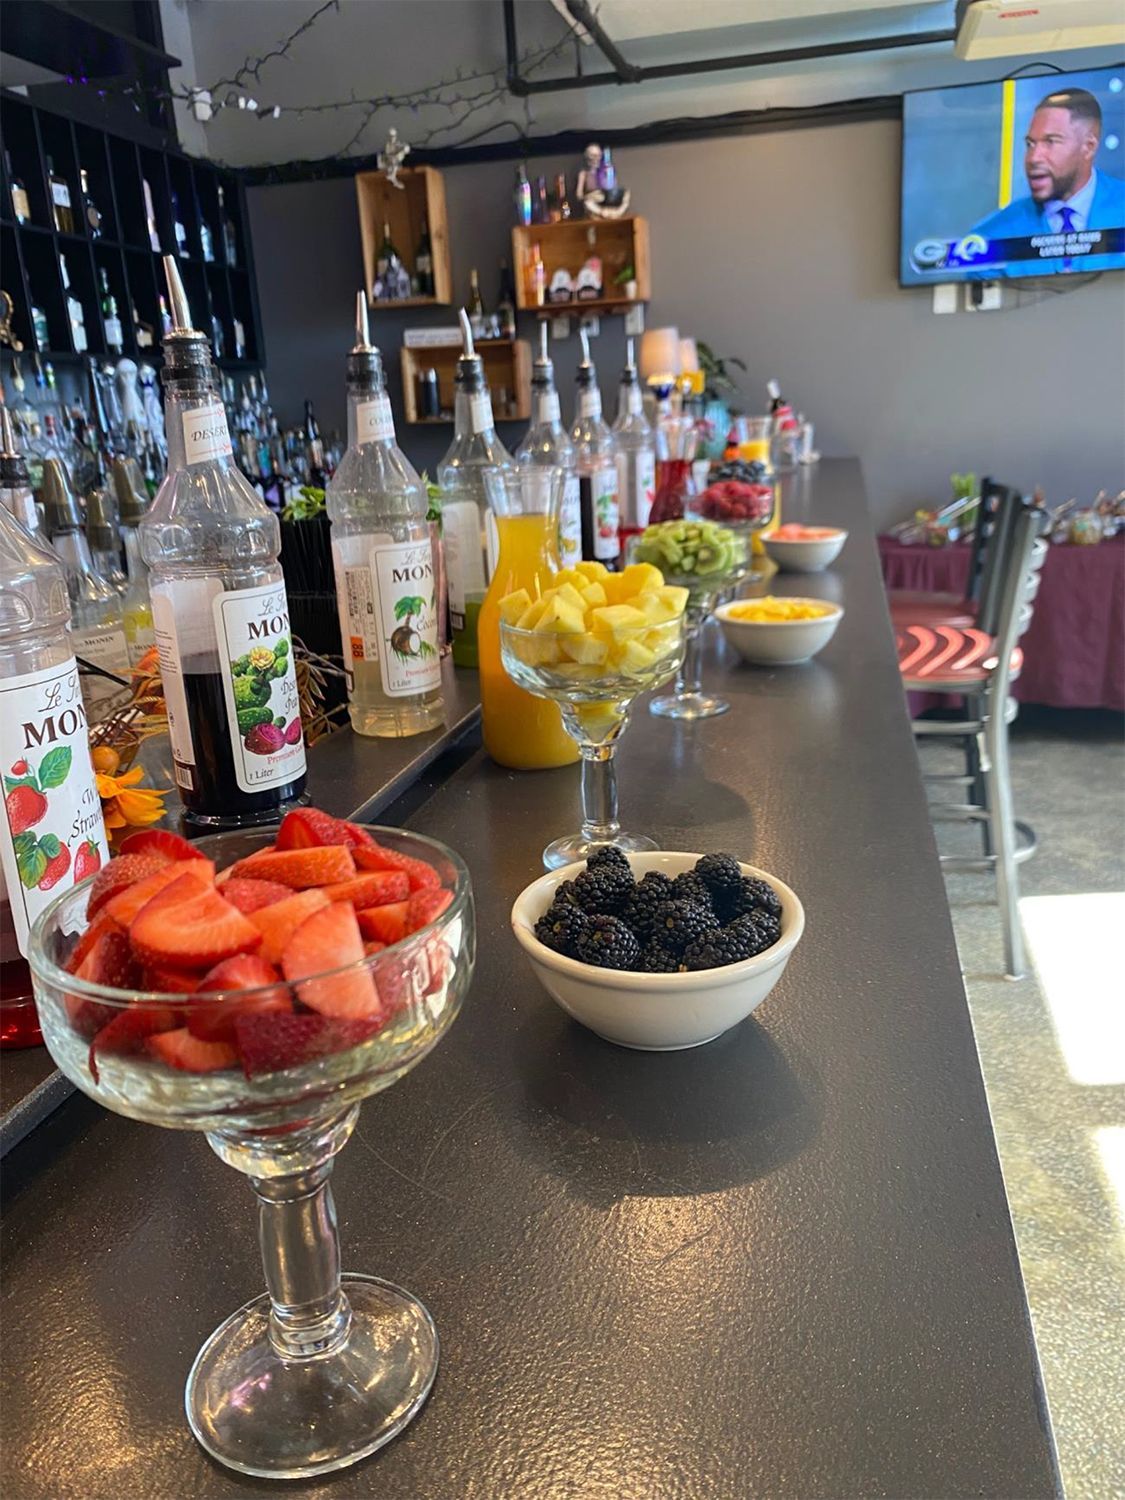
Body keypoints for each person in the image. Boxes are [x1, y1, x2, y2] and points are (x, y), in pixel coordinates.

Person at [974, 88, 1124, 238]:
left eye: (1050, 141)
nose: (1033, 158)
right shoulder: (993, 233)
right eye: (1030, 144)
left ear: (1088, 147)